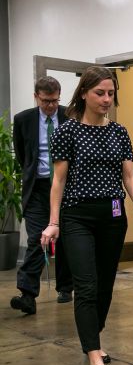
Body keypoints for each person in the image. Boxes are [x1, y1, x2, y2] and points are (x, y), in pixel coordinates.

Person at [40, 67, 133, 365]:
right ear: (84, 93)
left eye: (110, 93)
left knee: (104, 286)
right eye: (100, 93)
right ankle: (94, 356)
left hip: (112, 216)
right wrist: (53, 222)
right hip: (77, 216)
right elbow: (58, 182)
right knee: (86, 285)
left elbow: (129, 176)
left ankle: (93, 338)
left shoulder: (119, 132)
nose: (106, 99)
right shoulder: (67, 132)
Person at [10, 76, 73, 315]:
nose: (51, 106)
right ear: (36, 96)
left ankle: (66, 287)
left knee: (66, 236)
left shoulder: (70, 116)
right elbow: (22, 155)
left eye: (55, 100)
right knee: (38, 237)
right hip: (38, 187)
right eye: (46, 101)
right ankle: (27, 294)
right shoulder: (23, 119)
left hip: (67, 187)